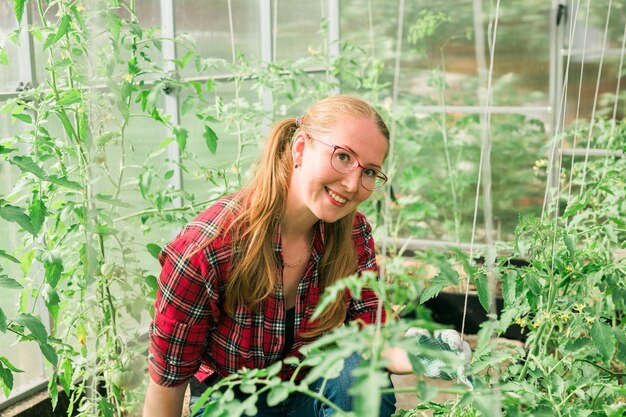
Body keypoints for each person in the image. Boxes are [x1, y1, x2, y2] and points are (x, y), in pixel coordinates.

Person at [143, 95, 413, 417]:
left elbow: (372, 330)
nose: (353, 184)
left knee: (356, 373)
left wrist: (421, 351)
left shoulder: (352, 234)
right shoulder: (206, 251)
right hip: (234, 397)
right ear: (300, 148)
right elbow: (167, 382)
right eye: (342, 157)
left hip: (310, 389)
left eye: (369, 172)